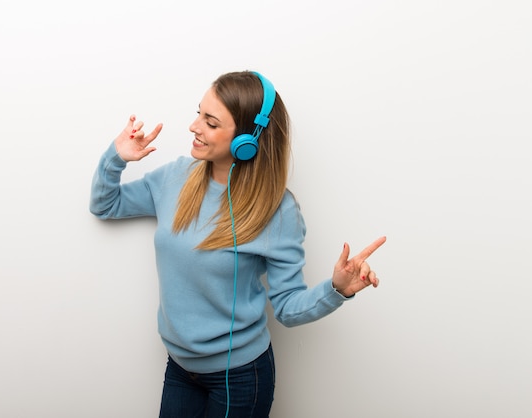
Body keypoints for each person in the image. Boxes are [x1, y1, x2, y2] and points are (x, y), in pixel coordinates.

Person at [89, 70, 386, 418]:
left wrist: (337, 289)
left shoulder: (278, 211)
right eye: (198, 112)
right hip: (180, 368)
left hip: (240, 377)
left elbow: (288, 308)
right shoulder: (174, 178)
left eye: (210, 122)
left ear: (248, 139)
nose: (193, 126)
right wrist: (117, 157)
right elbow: (105, 205)